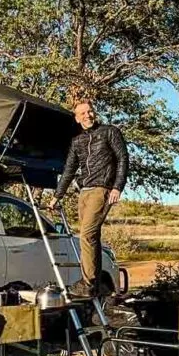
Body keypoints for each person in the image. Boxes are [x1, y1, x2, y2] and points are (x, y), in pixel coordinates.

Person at [49, 99, 128, 298]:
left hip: (102, 189)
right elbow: (68, 170)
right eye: (83, 113)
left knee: (86, 234)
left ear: (94, 112)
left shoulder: (110, 132)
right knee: (92, 237)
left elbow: (122, 158)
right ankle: (98, 284)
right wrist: (57, 196)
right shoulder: (77, 141)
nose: (88, 115)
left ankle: (88, 282)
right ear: (77, 118)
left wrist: (117, 187)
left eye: (90, 111)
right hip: (84, 192)